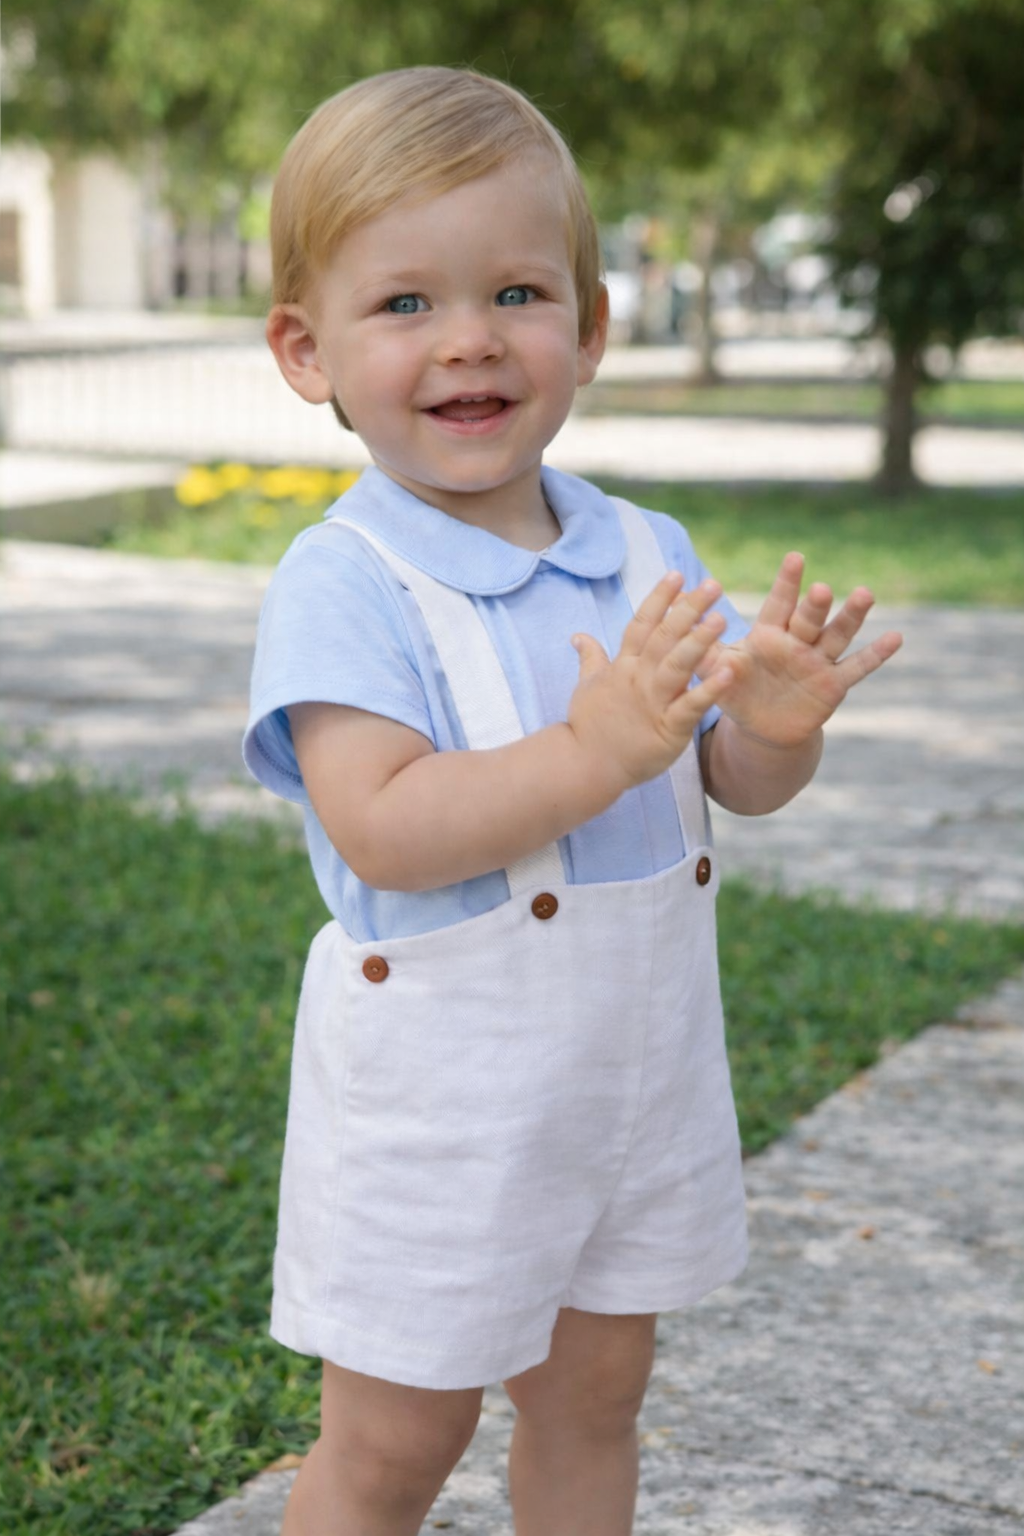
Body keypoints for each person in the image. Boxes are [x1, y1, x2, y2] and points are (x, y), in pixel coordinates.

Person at [244, 65, 902, 1536]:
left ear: (591, 330)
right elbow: (383, 826)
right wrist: (594, 749)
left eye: (520, 293)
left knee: (598, 1400)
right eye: (404, 303)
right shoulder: (346, 581)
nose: (469, 337)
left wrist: (776, 732)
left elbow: (723, 779)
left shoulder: (641, 543)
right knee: (396, 1445)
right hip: (441, 1111)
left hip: (632, 1081)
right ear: (308, 350)